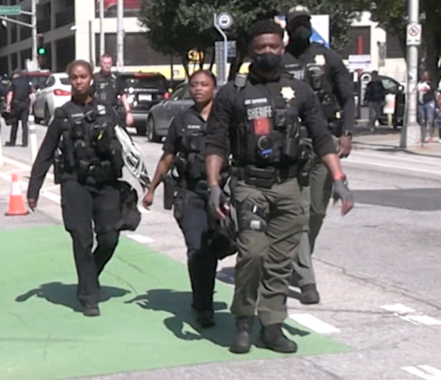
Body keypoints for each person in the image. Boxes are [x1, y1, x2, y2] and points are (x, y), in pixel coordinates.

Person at [204, 20, 354, 355]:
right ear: (251, 51)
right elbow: (215, 143)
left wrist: (339, 179)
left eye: (273, 46)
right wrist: (214, 186)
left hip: (289, 185)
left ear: (282, 47)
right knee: (253, 252)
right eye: (261, 48)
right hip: (249, 185)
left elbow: (320, 137)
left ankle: (271, 326)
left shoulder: (299, 92)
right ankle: (243, 320)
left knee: (280, 262)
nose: (268, 53)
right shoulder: (233, 93)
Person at [27, 60, 126, 317]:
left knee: (109, 237)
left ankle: (89, 275)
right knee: (82, 239)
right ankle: (88, 296)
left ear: (91, 78)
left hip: (105, 183)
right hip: (75, 182)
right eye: (74, 78)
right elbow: (46, 152)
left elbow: (127, 147)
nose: (78, 81)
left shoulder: (107, 110)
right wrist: (33, 189)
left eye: (82, 77)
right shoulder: (63, 114)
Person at [282, 5, 356, 307]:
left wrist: (347, 133)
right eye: (295, 24)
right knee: (298, 213)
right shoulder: (280, 60)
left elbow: (348, 96)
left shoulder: (327, 57)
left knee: (316, 211)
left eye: (304, 24)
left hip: (323, 141)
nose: (300, 29)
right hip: (290, 144)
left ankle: (298, 261)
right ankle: (305, 277)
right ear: (287, 28)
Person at [141, 70, 227, 328]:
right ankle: (203, 305)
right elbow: (168, 155)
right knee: (196, 249)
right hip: (190, 192)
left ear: (214, 88)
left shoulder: (226, 118)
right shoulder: (182, 118)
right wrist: (151, 188)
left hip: (221, 193)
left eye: (204, 84)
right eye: (194, 85)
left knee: (215, 249)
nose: (198, 89)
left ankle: (204, 294)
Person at [94, 54, 133, 127]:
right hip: (99, 113)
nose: (107, 66)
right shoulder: (95, 78)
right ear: (100, 64)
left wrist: (128, 112)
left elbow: (123, 95)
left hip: (113, 112)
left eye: (109, 63)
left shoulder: (115, 78)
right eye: (105, 63)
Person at [5, 70, 32, 148]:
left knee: (14, 123)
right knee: (24, 124)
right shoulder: (27, 82)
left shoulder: (13, 82)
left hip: (16, 104)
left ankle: (12, 141)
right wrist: (30, 106)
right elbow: (31, 95)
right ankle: (25, 142)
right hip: (25, 104)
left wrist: (8, 105)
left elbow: (10, 94)